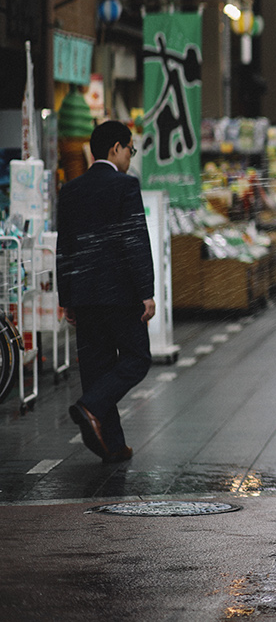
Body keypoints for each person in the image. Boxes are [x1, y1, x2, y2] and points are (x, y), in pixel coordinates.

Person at [56, 120, 156, 464]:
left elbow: (65, 247)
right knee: (137, 358)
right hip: (119, 294)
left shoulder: (71, 189)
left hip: (84, 294)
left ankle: (113, 445)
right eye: (130, 148)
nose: (131, 155)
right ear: (116, 148)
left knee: (97, 368)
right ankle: (91, 406)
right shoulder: (125, 185)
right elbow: (134, 239)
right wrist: (146, 291)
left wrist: (67, 298)